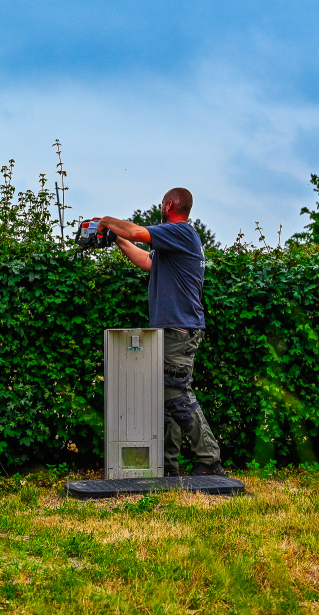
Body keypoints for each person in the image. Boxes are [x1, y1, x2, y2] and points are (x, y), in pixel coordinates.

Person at [96, 188, 225, 477]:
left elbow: (139, 233)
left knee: (177, 393)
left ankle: (209, 459)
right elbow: (147, 261)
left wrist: (107, 221)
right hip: (172, 329)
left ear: (169, 205)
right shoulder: (174, 243)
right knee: (165, 397)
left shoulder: (180, 232)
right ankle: (169, 465)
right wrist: (117, 239)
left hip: (179, 329)